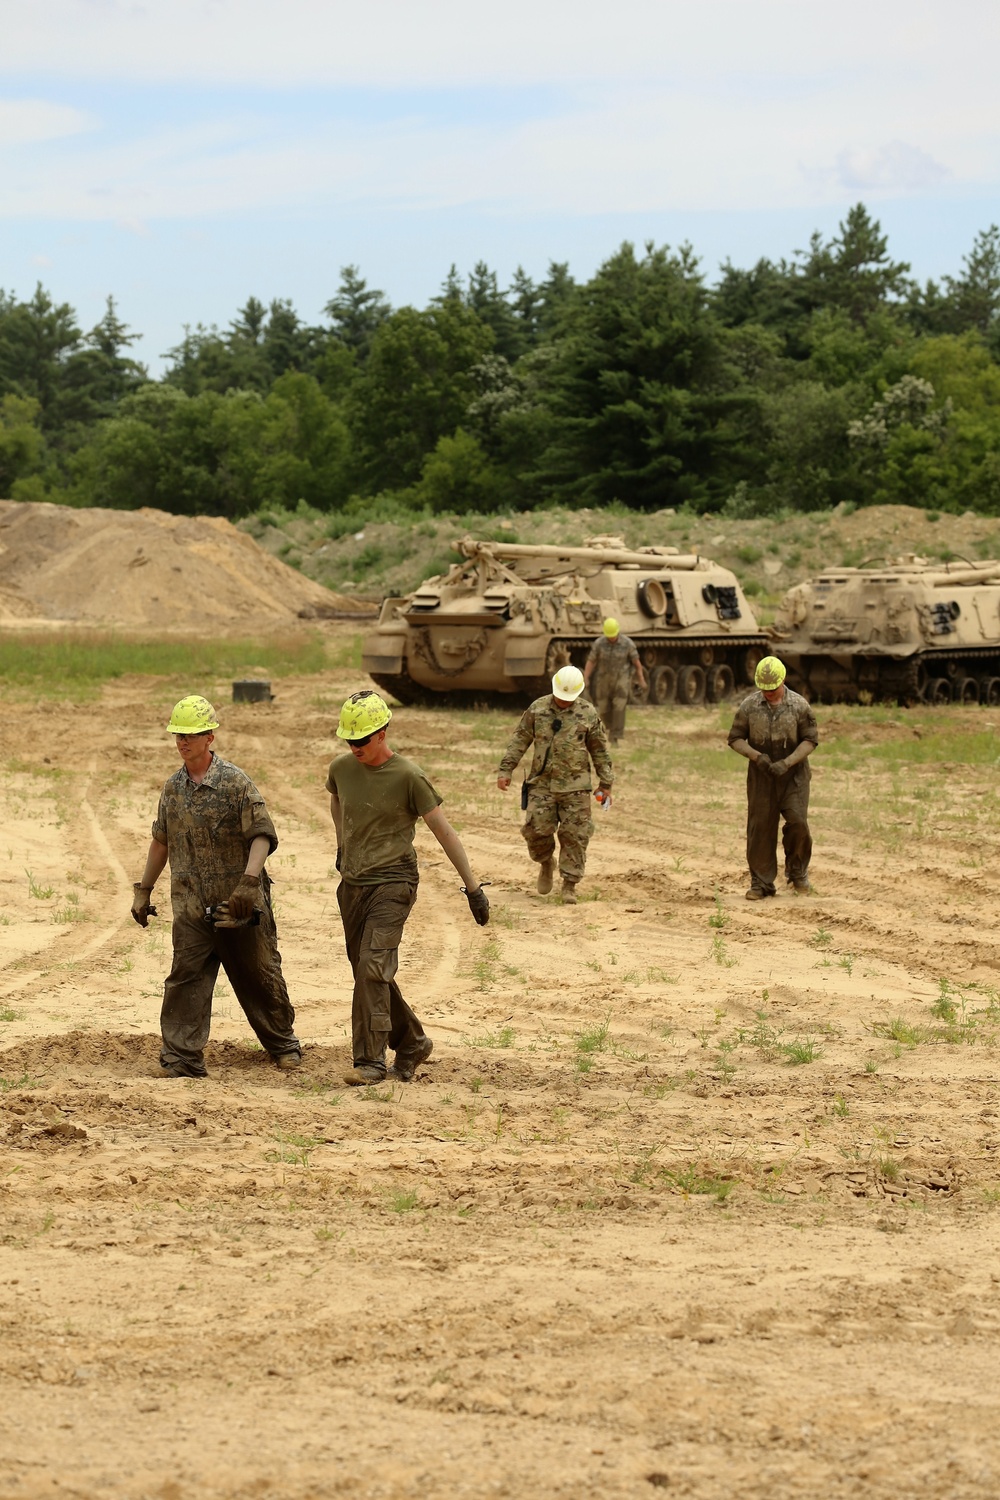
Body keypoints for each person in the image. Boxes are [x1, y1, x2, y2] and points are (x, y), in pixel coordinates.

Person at [131, 695, 301, 1078]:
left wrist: (248, 883)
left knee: (258, 975)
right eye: (178, 735)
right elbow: (162, 841)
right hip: (190, 904)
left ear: (210, 737)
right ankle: (180, 1059)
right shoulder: (173, 789)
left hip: (237, 906)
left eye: (191, 735)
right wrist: (143, 889)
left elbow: (261, 835)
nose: (183, 742)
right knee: (185, 979)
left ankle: (283, 1046)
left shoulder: (234, 782)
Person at [327, 689, 489, 1087]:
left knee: (371, 968)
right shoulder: (341, 769)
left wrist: (472, 888)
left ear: (382, 733)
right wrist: (342, 845)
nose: (355, 747)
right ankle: (413, 1042)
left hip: (394, 883)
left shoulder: (409, 776)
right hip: (353, 885)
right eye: (350, 740)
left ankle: (370, 1061)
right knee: (369, 972)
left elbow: (444, 832)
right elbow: (337, 802)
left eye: (362, 739)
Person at [497, 664, 614, 905]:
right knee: (535, 831)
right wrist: (506, 768)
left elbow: (599, 750)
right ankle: (545, 862)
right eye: (560, 697)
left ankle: (569, 885)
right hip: (541, 784)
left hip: (576, 786)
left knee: (576, 835)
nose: (563, 702)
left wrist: (606, 782)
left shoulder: (588, 713)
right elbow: (520, 738)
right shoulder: (538, 709)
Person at [727, 656, 819, 900]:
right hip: (762, 777)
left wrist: (787, 762)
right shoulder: (749, 706)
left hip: (794, 776)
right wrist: (757, 757)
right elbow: (735, 738)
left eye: (772, 688)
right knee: (761, 829)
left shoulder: (799, 706)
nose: (768, 692)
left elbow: (810, 740)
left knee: (798, 823)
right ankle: (761, 883)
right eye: (763, 688)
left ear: (782, 680)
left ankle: (798, 873)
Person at [583, 618, 647, 745]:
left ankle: (615, 736)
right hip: (603, 679)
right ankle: (608, 728)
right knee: (603, 707)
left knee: (619, 706)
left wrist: (641, 680)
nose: (611, 639)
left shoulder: (628, 644)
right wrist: (586, 677)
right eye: (609, 636)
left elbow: (637, 664)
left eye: (613, 636)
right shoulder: (599, 643)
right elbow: (591, 661)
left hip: (621, 679)